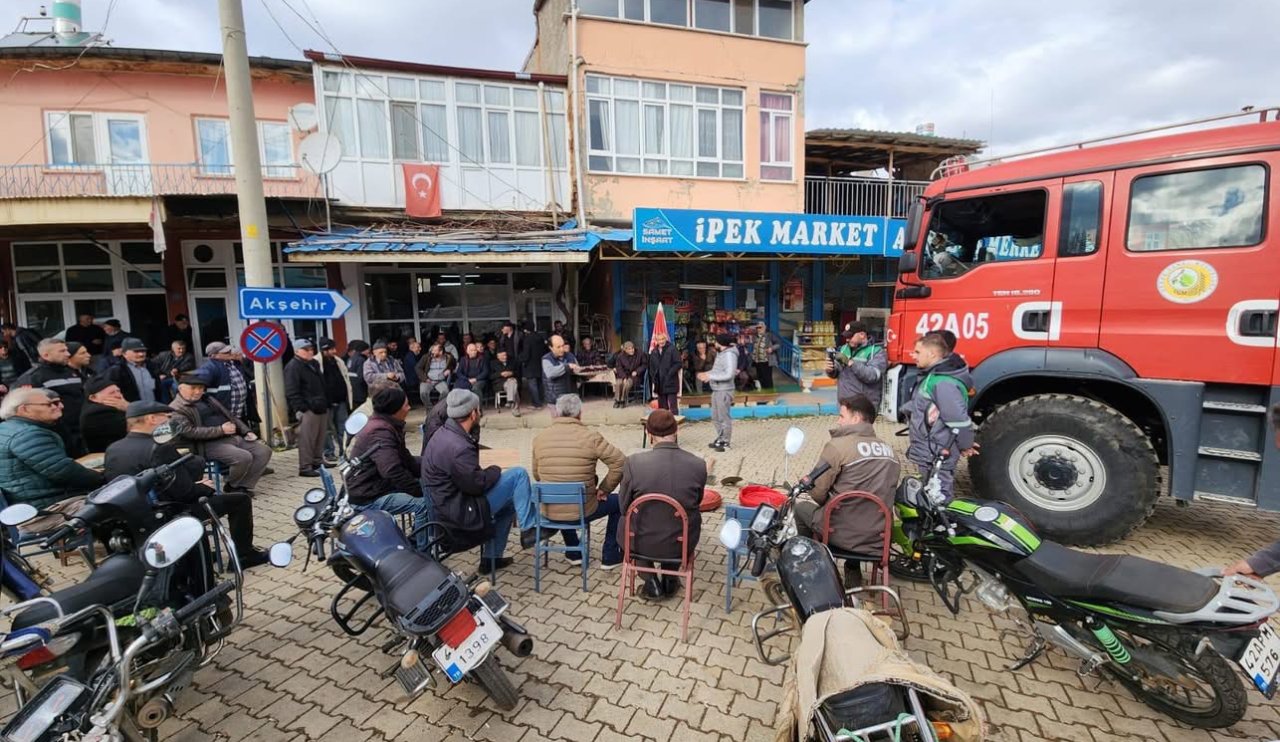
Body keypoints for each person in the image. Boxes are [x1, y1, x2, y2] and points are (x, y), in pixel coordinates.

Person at [104, 400, 267, 568]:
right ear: (152, 418)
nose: (168, 422)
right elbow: (184, 493)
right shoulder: (159, 448)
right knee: (240, 500)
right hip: (169, 515)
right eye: (165, 417)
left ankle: (195, 552)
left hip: (133, 516)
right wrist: (205, 486)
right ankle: (244, 555)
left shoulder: (113, 448)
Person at [793, 395, 902, 587]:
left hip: (839, 533)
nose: (838, 420)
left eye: (842, 416)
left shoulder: (837, 447)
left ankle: (809, 566)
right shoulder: (890, 452)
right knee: (859, 511)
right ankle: (853, 571)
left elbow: (818, 495)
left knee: (801, 508)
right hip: (878, 537)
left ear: (856, 418)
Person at [422, 390, 531, 574]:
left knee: (509, 504)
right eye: (479, 410)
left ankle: (491, 559)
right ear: (473, 413)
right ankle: (530, 528)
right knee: (518, 474)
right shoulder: (459, 446)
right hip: (459, 512)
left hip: (448, 504)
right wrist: (495, 470)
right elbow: (476, 485)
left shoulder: (443, 433)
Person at [617, 410, 705, 599]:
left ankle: (651, 582)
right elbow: (697, 502)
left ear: (649, 434)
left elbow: (623, 507)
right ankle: (670, 579)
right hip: (680, 543)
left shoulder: (633, 463)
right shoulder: (698, 464)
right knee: (686, 518)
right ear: (677, 431)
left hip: (641, 541)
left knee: (625, 522)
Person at [529, 394, 625, 567]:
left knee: (565, 493)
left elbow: (537, 475)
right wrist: (604, 489)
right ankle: (610, 556)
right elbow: (620, 462)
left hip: (550, 511)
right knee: (619, 502)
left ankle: (574, 552)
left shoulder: (540, 438)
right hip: (583, 510)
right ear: (580, 413)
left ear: (556, 413)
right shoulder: (591, 437)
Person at [346, 386, 433, 551]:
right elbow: (392, 470)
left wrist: (432, 465)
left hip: (377, 485)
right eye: (406, 405)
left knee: (431, 487)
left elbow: (406, 459)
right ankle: (424, 554)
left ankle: (415, 539)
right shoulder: (380, 431)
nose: (409, 408)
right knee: (423, 504)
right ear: (395, 410)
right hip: (367, 496)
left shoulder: (386, 425)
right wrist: (418, 490)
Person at [0, 388, 104, 512]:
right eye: (50, 404)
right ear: (24, 409)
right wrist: (102, 477)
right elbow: (63, 472)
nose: (59, 406)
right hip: (51, 507)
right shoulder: (28, 434)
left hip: (28, 504)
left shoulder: (7, 428)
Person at [170, 372, 272, 494]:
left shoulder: (208, 398)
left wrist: (246, 431)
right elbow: (189, 432)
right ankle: (233, 486)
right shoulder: (175, 408)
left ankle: (243, 485)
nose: (198, 392)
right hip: (206, 444)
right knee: (243, 456)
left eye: (201, 388)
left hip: (230, 436)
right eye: (193, 388)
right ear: (181, 388)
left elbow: (229, 415)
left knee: (264, 451)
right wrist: (221, 430)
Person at [905, 333, 975, 500]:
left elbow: (958, 420)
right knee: (930, 493)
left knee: (939, 497)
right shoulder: (934, 376)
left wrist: (966, 445)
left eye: (917, 352)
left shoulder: (943, 382)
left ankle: (942, 526)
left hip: (936, 451)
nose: (913, 355)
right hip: (932, 449)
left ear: (932, 354)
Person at [14, 338, 88, 456]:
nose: (68, 354)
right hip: (55, 434)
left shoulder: (72, 372)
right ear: (46, 355)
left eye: (67, 350)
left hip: (80, 431)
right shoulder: (33, 377)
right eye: (62, 351)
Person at [285, 338, 329, 477]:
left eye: (311, 349)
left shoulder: (313, 363)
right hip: (308, 408)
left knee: (320, 436)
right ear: (297, 351)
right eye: (306, 349)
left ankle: (317, 461)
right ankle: (305, 467)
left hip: (320, 405)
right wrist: (302, 408)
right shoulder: (293, 366)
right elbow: (291, 390)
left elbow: (321, 384)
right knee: (307, 439)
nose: (310, 351)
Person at [826, 322, 887, 409]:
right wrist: (831, 370)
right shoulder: (844, 348)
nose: (847, 340)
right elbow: (837, 372)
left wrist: (851, 363)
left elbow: (872, 376)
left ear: (862, 335)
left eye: (850, 337)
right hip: (844, 404)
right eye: (846, 337)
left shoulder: (876, 351)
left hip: (864, 407)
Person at [700, 333, 738, 453]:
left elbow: (729, 374)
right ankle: (721, 438)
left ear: (722, 343)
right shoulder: (721, 354)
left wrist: (710, 376)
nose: (714, 344)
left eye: (716, 341)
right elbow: (717, 371)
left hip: (724, 390)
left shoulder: (730, 355)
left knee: (723, 417)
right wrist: (706, 374)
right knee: (715, 416)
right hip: (716, 389)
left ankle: (726, 441)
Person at [319, 338, 354, 456]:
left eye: (334, 348)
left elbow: (345, 379)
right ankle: (329, 452)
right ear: (324, 350)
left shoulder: (338, 361)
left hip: (341, 401)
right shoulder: (317, 362)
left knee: (343, 428)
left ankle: (344, 450)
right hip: (326, 403)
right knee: (327, 430)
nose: (334, 351)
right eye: (331, 349)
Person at [80, 378, 129, 454]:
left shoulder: (115, 407)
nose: (118, 395)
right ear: (93, 398)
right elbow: (138, 426)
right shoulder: (97, 413)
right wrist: (130, 407)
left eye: (118, 391)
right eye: (112, 393)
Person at [107, 338, 159, 404]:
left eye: (143, 351)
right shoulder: (117, 370)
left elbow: (157, 390)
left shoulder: (152, 367)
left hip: (154, 409)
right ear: (124, 353)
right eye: (136, 351)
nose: (141, 354)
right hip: (132, 411)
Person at [648, 333, 681, 414]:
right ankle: (664, 424)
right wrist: (654, 377)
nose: (661, 341)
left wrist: (669, 373)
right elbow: (651, 366)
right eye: (659, 340)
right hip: (659, 382)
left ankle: (674, 423)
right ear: (656, 341)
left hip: (671, 381)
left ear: (666, 339)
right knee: (662, 407)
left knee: (673, 406)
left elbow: (678, 363)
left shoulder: (672, 349)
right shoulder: (654, 351)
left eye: (663, 339)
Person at [542, 335, 580, 406]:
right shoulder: (546, 359)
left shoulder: (570, 356)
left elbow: (578, 370)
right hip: (555, 400)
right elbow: (551, 373)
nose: (562, 349)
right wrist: (567, 367)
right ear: (551, 348)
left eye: (563, 346)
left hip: (572, 397)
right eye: (558, 347)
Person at [517, 321, 546, 409]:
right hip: (540, 363)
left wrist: (519, 358)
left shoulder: (527, 339)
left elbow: (526, 354)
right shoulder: (540, 337)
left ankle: (536, 404)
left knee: (532, 385)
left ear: (526, 330)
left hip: (530, 365)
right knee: (540, 383)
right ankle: (541, 400)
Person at [489, 349, 521, 417]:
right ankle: (515, 409)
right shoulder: (493, 363)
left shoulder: (512, 362)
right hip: (500, 383)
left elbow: (519, 373)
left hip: (511, 381)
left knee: (512, 382)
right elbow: (490, 376)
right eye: (502, 356)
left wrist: (511, 373)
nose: (505, 357)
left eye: (505, 355)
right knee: (514, 387)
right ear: (498, 356)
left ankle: (510, 401)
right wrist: (500, 374)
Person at [613, 341, 644, 408]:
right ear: (625, 350)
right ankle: (617, 400)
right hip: (623, 375)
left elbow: (644, 365)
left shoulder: (639, 354)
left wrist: (637, 371)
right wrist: (624, 377)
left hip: (634, 376)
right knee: (618, 383)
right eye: (629, 349)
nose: (631, 350)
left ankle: (623, 400)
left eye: (632, 348)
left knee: (627, 384)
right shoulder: (620, 356)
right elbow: (619, 368)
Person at [751, 323, 779, 390]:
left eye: (760, 327)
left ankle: (770, 393)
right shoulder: (755, 336)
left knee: (767, 378)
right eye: (757, 328)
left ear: (764, 327)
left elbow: (778, 344)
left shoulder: (769, 335)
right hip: (757, 360)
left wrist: (771, 348)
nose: (758, 329)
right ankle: (764, 392)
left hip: (766, 360)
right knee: (760, 377)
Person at [345, 340, 371, 408]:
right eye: (368, 350)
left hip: (352, 394)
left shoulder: (350, 359)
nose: (369, 352)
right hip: (361, 394)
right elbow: (362, 377)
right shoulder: (361, 360)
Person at [402, 339, 422, 403]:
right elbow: (416, 369)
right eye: (418, 347)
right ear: (411, 348)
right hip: (412, 381)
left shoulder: (412, 355)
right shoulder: (410, 357)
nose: (420, 349)